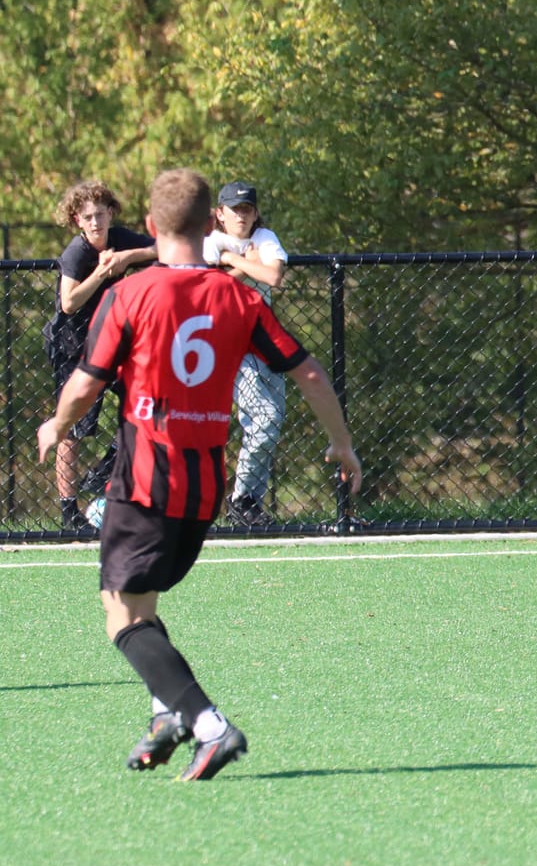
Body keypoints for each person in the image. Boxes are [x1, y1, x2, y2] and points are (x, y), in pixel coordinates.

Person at [36, 169, 362, 781]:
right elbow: (311, 374)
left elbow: (85, 384)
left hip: (143, 481)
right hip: (205, 488)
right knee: (142, 603)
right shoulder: (237, 296)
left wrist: (56, 425)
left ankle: (207, 724)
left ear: (153, 229)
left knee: (120, 615)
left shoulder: (130, 295)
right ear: (211, 222)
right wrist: (343, 445)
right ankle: (167, 715)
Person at [44, 180, 157, 536]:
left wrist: (127, 258)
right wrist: (102, 272)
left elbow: (167, 249)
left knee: (143, 406)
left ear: (111, 212)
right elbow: (69, 302)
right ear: (78, 220)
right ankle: (69, 511)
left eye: (100, 214)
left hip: (115, 345)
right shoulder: (77, 253)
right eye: (88, 217)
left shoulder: (121, 239)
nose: (95, 222)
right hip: (73, 348)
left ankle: (106, 469)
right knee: (74, 429)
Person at [203, 180, 289, 526]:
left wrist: (232, 264)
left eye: (248, 209)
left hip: (263, 341)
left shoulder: (265, 238)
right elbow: (207, 295)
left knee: (271, 421)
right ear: (220, 214)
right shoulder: (211, 244)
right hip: (224, 344)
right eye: (235, 209)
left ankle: (248, 502)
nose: (242, 215)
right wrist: (237, 261)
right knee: (261, 420)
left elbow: (273, 276)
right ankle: (242, 501)